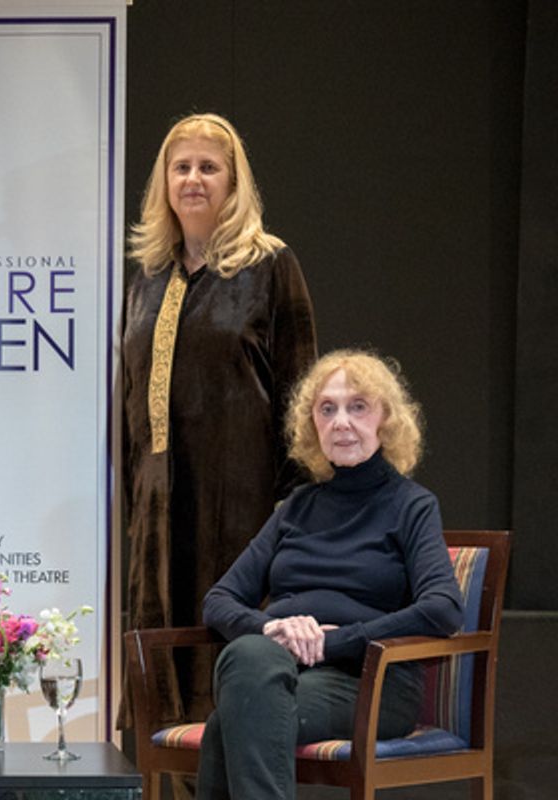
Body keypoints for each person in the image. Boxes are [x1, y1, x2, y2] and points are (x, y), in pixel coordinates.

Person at [122, 112, 318, 739]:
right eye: (181, 168)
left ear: (234, 183)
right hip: (156, 511)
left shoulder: (271, 265)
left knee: (228, 661)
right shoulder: (147, 276)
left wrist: (294, 508)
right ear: (164, 183)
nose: (193, 180)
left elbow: (301, 394)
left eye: (209, 167)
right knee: (157, 668)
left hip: (243, 506)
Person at [195, 349, 464, 799]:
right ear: (312, 426)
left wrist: (332, 641)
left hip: (370, 683)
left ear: (385, 420)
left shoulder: (412, 505)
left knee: (234, 715)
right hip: (278, 671)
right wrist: (275, 627)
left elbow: (443, 607)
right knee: (250, 659)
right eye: (327, 409)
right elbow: (219, 600)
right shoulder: (296, 507)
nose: (341, 422)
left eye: (357, 407)